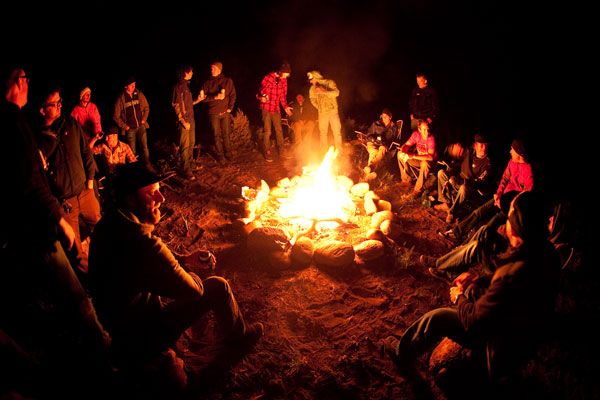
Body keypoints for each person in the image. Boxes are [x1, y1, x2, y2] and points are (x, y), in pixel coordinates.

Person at [89, 162, 264, 374]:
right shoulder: (142, 244)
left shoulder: (110, 225)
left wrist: (182, 260)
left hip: (119, 327)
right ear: (129, 198)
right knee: (217, 286)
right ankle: (239, 339)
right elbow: (193, 290)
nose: (161, 199)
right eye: (151, 193)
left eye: (159, 191)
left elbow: (150, 265)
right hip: (143, 335)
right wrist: (188, 271)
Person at [1, 67, 111, 398]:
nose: (27, 83)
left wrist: (91, 182)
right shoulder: (14, 123)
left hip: (50, 214)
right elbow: (31, 182)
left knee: (58, 288)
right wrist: (58, 218)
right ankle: (102, 358)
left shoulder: (59, 125)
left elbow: (83, 156)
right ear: (17, 81)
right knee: (73, 294)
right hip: (37, 226)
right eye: (24, 77)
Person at [383, 191, 560, 384]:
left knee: (437, 318)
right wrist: (480, 279)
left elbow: (475, 322)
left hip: (504, 344)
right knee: (472, 290)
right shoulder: (545, 252)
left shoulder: (512, 273)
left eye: (509, 216)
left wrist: (459, 297)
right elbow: (510, 286)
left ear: (516, 227)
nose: (505, 221)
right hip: (527, 334)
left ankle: (401, 353)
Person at [38, 88, 101, 275]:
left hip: (84, 191)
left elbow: (86, 153)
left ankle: (110, 264)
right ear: (42, 110)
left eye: (60, 101)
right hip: (66, 202)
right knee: (74, 248)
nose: (59, 106)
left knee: (101, 229)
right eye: (54, 103)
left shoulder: (71, 124)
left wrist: (90, 183)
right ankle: (92, 281)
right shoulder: (38, 139)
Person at [443, 138, 533, 243]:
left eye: (512, 149)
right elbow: (504, 178)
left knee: (489, 224)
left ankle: (466, 245)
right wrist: (498, 194)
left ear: (519, 154)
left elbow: (525, 197)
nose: (510, 151)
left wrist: (507, 204)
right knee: (479, 212)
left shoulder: (529, 173)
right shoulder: (512, 162)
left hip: (511, 206)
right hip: (501, 197)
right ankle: (456, 232)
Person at [435, 134, 493, 223]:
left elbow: (479, 183)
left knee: (463, 188)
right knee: (441, 173)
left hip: (470, 188)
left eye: (485, 145)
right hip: (459, 180)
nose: (484, 148)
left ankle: (452, 212)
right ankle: (446, 203)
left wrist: (460, 181)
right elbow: (458, 152)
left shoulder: (487, 163)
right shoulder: (470, 153)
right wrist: (455, 149)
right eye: (481, 145)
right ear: (475, 146)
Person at [199, 61, 236, 162]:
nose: (211, 70)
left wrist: (230, 108)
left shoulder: (228, 81)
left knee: (226, 133)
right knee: (216, 135)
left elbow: (233, 95)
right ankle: (221, 156)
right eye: (211, 68)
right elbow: (202, 99)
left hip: (225, 112)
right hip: (213, 113)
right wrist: (214, 97)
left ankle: (228, 153)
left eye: (213, 68)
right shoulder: (207, 83)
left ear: (219, 70)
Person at [113, 76, 152, 170]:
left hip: (141, 126)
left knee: (144, 147)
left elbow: (146, 107)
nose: (134, 86)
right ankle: (135, 169)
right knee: (132, 151)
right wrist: (124, 126)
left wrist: (143, 119)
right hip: (130, 129)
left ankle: (147, 165)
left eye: (134, 84)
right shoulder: (121, 98)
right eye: (131, 85)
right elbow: (115, 116)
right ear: (126, 86)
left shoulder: (138, 94)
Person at [172, 65, 202, 178]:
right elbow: (176, 105)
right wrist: (183, 121)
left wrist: (198, 100)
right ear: (185, 73)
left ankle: (191, 164)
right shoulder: (178, 87)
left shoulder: (186, 87)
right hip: (184, 121)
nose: (192, 73)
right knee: (184, 145)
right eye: (191, 72)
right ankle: (186, 170)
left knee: (191, 143)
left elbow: (188, 105)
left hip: (191, 119)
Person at [259, 62, 292, 162]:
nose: (287, 76)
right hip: (266, 108)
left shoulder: (284, 80)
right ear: (281, 72)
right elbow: (261, 90)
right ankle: (267, 151)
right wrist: (262, 97)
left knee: (279, 130)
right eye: (286, 74)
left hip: (276, 108)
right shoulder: (268, 77)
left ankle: (282, 151)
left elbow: (282, 96)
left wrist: (285, 107)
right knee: (267, 131)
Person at [397, 119, 436, 194]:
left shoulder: (431, 138)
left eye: (427, 129)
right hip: (418, 160)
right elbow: (406, 145)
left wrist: (413, 156)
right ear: (419, 129)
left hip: (429, 163)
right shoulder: (416, 135)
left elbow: (430, 157)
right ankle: (406, 180)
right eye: (424, 129)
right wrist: (403, 151)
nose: (427, 132)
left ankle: (417, 190)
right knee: (399, 154)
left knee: (425, 163)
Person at [308, 70, 343, 152]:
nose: (310, 81)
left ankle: (339, 151)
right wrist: (319, 107)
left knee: (337, 131)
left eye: (311, 79)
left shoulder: (329, 83)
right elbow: (312, 99)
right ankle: (323, 151)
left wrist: (324, 91)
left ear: (316, 76)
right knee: (323, 133)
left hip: (333, 111)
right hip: (322, 113)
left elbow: (336, 93)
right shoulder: (312, 89)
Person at [362, 108, 399, 180]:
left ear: (390, 117)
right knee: (374, 152)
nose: (383, 118)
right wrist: (374, 139)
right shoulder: (376, 124)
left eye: (386, 116)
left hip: (383, 145)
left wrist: (385, 143)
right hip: (372, 143)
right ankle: (371, 170)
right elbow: (368, 135)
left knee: (379, 151)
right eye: (382, 116)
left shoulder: (393, 128)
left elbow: (392, 139)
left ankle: (369, 170)